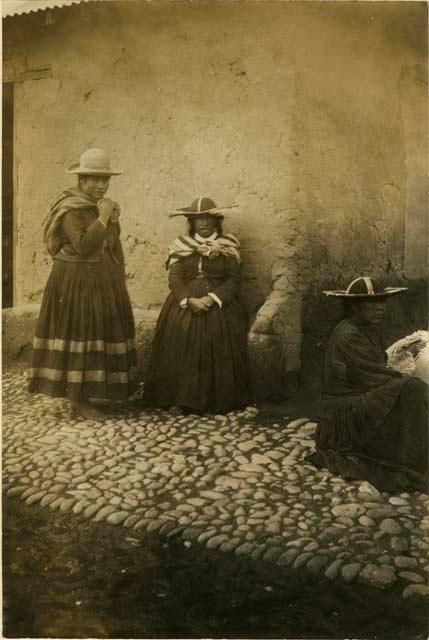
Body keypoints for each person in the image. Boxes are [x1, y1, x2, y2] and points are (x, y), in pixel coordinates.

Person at [29, 148, 137, 419]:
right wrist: (102, 217)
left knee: (95, 334)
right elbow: (84, 245)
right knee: (79, 334)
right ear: (81, 180)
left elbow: (109, 242)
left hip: (99, 280)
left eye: (105, 180)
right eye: (94, 179)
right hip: (76, 282)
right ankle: (78, 399)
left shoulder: (97, 206)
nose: (100, 185)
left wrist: (111, 220)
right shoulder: (71, 209)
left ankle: (88, 393)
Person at [309, 276, 428, 493]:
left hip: (358, 402)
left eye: (382, 302)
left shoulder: (365, 329)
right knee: (413, 389)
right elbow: (378, 375)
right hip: (342, 417)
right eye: (371, 303)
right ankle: (416, 460)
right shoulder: (348, 334)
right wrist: (404, 376)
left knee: (408, 389)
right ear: (354, 307)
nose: (380, 308)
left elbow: (377, 371)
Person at [143, 196, 251, 414]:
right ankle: (179, 398)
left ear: (216, 221)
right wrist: (188, 300)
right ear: (191, 222)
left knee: (217, 337)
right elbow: (175, 279)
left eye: (207, 219)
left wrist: (213, 298)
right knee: (179, 335)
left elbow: (234, 279)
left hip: (219, 303)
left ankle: (216, 399)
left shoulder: (227, 246)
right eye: (198, 219)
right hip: (186, 302)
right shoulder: (181, 246)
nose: (203, 224)